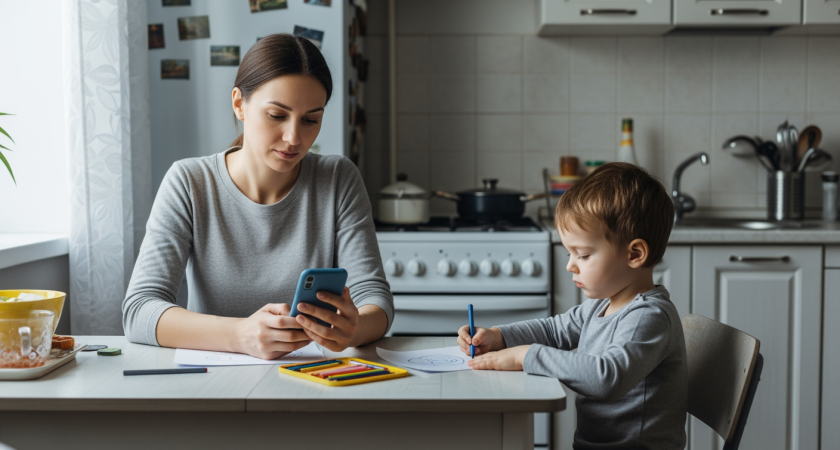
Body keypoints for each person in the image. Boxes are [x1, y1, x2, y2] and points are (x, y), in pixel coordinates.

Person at [123, 34, 393, 359]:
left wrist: (355, 329)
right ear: (239, 104)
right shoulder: (189, 182)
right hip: (211, 382)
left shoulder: (338, 179)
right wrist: (240, 336)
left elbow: (375, 300)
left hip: (311, 377)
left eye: (311, 120)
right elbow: (139, 311)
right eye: (277, 115)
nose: (293, 137)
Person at [458, 162, 687, 449]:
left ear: (635, 254)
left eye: (583, 255)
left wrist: (526, 356)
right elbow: (553, 331)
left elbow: (608, 377)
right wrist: (498, 336)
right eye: (570, 254)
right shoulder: (601, 305)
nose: (570, 266)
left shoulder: (648, 316)